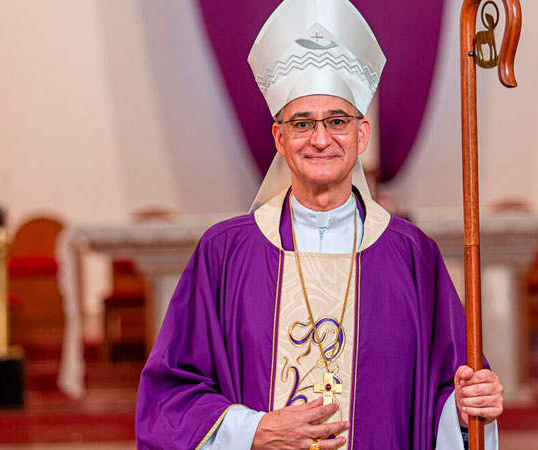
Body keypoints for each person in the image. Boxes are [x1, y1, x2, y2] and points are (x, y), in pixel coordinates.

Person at [135, 0, 503, 449]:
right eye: (303, 123)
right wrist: (252, 431)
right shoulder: (225, 253)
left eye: (337, 121)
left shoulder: (409, 254)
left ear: (361, 134)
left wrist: (466, 412)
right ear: (280, 138)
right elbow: (169, 399)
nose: (321, 138)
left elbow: (446, 393)